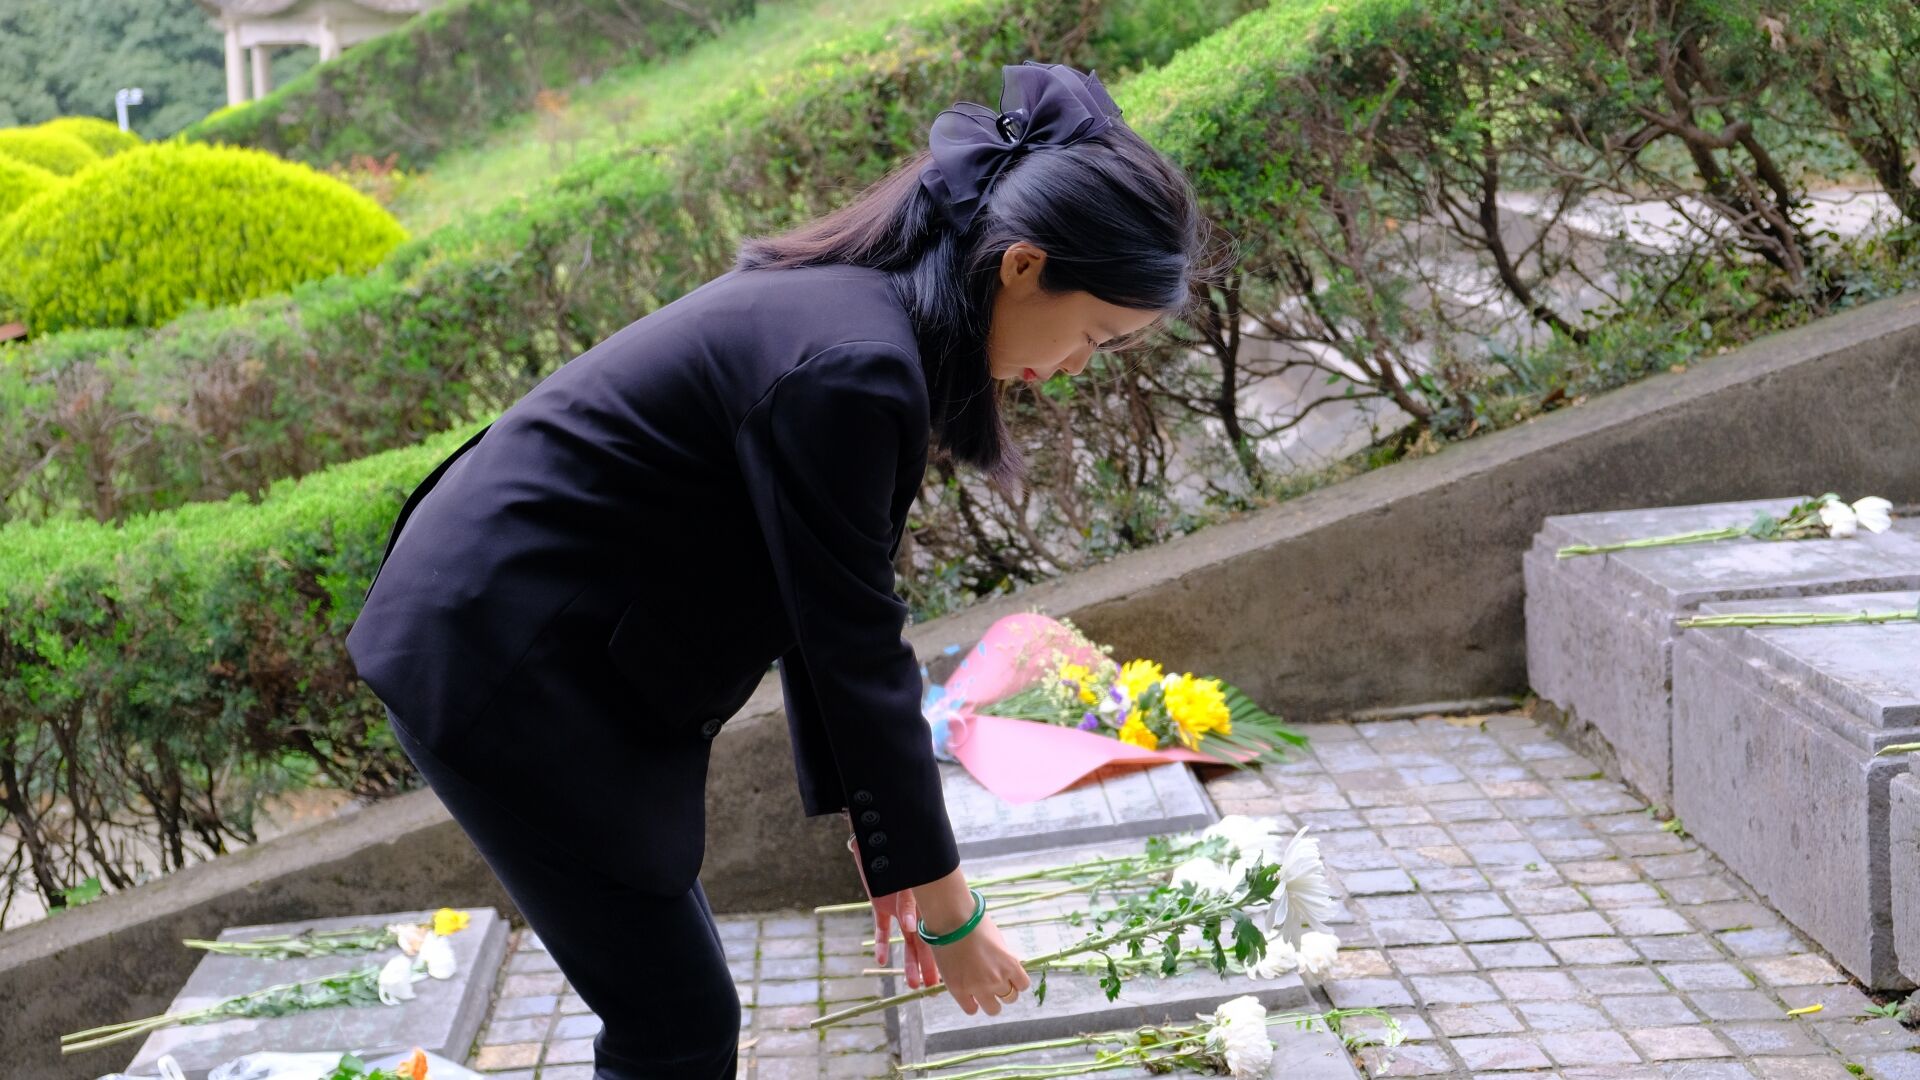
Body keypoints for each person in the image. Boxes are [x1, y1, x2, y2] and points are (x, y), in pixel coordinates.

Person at [344, 60, 1212, 1079]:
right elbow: (854, 643)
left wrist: (886, 841)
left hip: (533, 640)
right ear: (1023, 266)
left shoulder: (859, 322)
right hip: (500, 657)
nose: (1075, 367)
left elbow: (814, 594)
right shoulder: (855, 363)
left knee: (676, 1010)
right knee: (677, 1025)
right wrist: (948, 907)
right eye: (1097, 334)